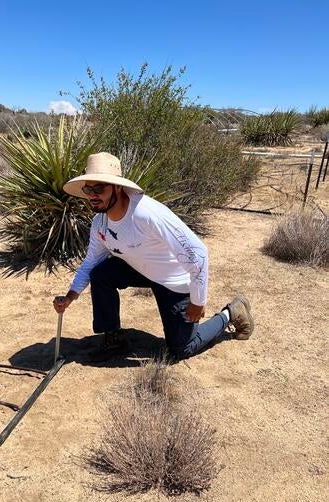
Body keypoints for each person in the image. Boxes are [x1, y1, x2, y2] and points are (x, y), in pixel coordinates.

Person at [53, 152, 254, 363]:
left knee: (182, 348)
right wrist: (70, 296)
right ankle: (114, 338)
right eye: (88, 189)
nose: (93, 195)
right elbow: (92, 261)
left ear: (117, 187)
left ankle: (231, 313)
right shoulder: (99, 223)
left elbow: (198, 253)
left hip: (173, 279)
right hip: (141, 269)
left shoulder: (146, 214)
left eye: (99, 188)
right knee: (101, 273)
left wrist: (198, 300)